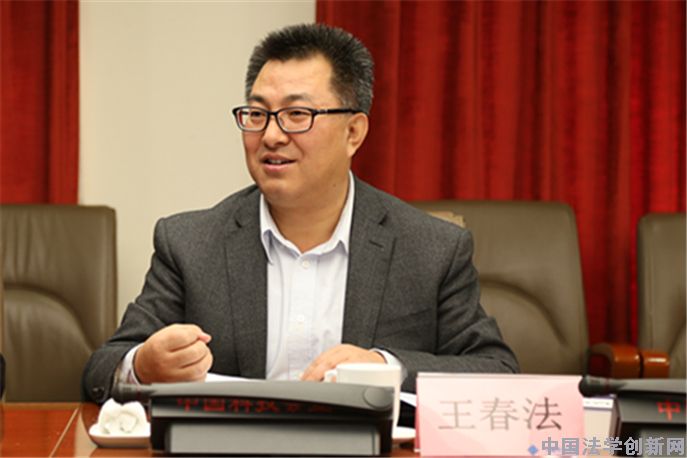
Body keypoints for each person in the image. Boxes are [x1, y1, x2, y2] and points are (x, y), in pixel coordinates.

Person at [82, 23, 518, 404]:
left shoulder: (430, 248)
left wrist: (386, 367)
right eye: (257, 114)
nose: (271, 135)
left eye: (297, 114)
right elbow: (100, 371)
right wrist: (144, 365)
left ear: (353, 132)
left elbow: (496, 372)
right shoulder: (190, 243)